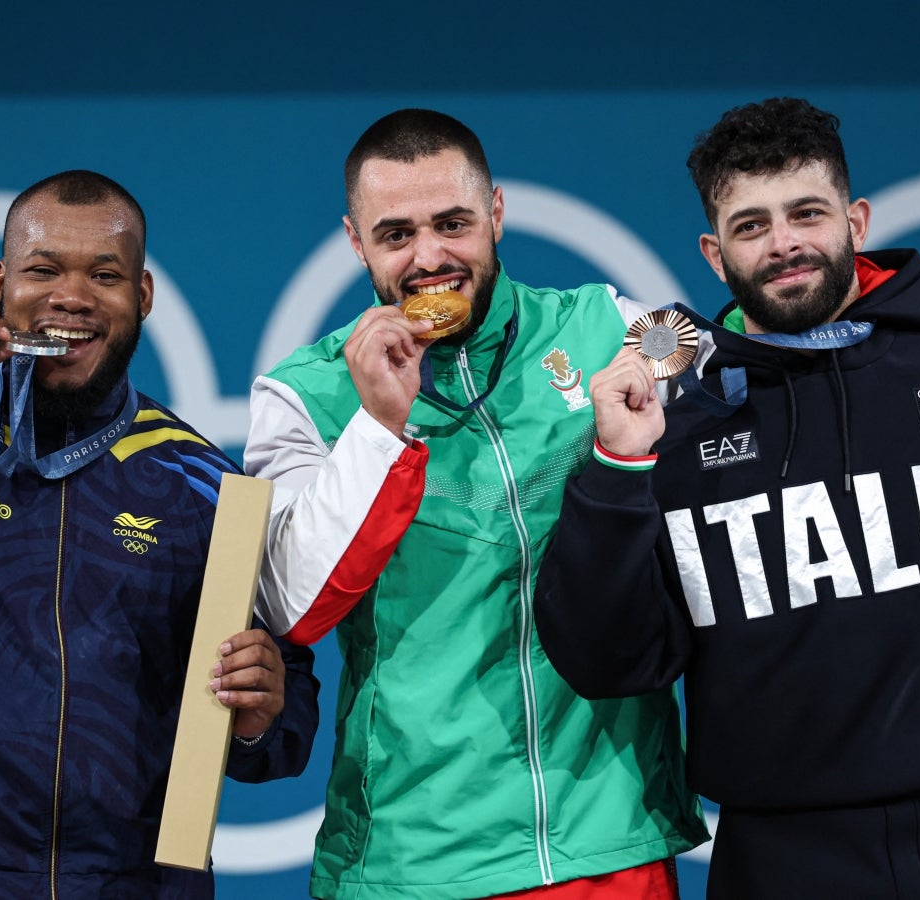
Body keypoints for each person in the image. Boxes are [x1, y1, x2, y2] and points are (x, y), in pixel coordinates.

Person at [244, 108, 707, 899]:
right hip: (412, 859)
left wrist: (655, 367)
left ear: (495, 214)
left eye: (453, 223)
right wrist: (379, 425)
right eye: (396, 235)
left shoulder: (596, 322)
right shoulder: (303, 396)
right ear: (356, 243)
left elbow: (697, 337)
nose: (430, 258)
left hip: (606, 842)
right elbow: (295, 605)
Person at [534, 96, 920, 898]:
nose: (784, 243)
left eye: (807, 213)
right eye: (751, 225)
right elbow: (611, 660)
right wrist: (619, 466)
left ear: (856, 221)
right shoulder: (677, 423)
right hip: (785, 858)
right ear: (715, 255)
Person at [0, 170, 319, 898]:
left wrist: (265, 712)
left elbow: (284, 722)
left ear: (141, 297)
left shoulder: (204, 488)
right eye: (43, 269)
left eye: (103, 275)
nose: (70, 297)